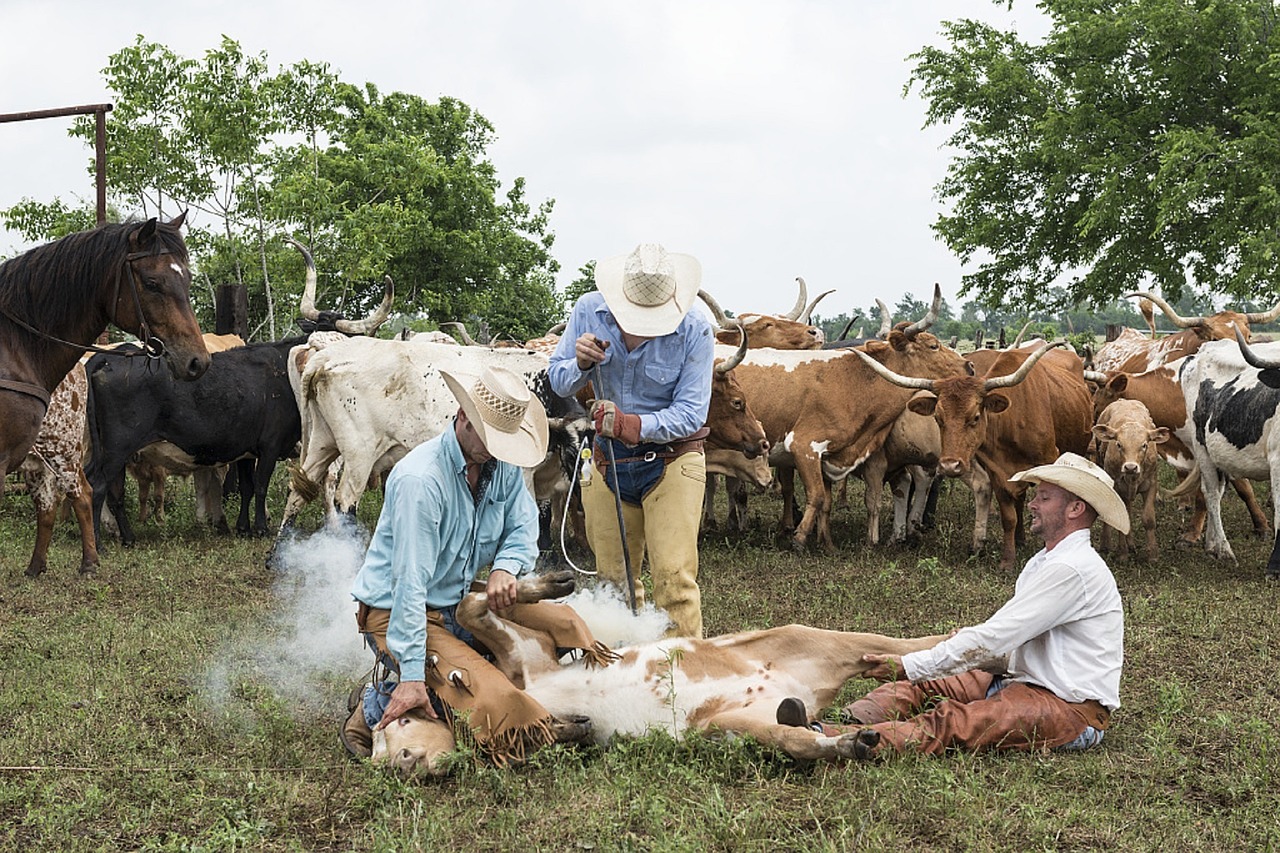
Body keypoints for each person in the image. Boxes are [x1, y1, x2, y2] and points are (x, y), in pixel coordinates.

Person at [777, 452, 1128, 759]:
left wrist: (912, 663)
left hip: (1069, 710)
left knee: (953, 720)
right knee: (928, 683)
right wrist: (944, 658)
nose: (1032, 504)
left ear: (1076, 509)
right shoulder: (1048, 561)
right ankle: (843, 721)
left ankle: (830, 739)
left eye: (1045, 498)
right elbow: (1006, 638)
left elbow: (996, 637)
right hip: (1020, 681)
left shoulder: (1070, 568)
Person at [341, 366, 596, 766]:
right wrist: (411, 675)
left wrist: (505, 569)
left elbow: (523, 526)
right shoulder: (420, 481)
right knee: (495, 696)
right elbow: (409, 584)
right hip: (398, 613)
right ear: (463, 418)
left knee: (562, 623)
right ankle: (377, 705)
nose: (496, 451)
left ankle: (457, 674)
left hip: (457, 599)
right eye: (491, 439)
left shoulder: (502, 466)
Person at [548, 243, 715, 637]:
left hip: (674, 460)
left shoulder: (695, 329)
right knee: (612, 584)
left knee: (674, 581)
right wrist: (581, 363)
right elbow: (558, 379)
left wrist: (629, 425)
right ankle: (624, 677)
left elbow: (692, 413)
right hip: (609, 461)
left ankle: (681, 681)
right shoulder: (589, 310)